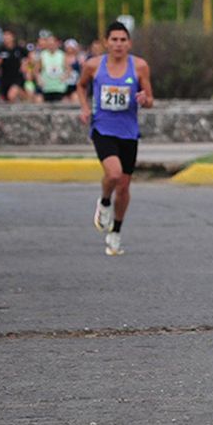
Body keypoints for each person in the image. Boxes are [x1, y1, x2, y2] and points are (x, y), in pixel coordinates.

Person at [76, 22, 154, 256]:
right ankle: (104, 202)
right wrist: (84, 107)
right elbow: (81, 86)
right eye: (114, 40)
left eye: (123, 40)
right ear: (106, 42)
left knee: (125, 185)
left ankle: (116, 233)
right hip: (103, 128)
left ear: (129, 43)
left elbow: (150, 99)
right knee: (114, 174)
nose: (118, 44)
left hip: (129, 131)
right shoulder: (93, 66)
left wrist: (144, 99)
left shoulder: (139, 66)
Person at [0, 28, 29, 102]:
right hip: (4, 78)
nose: (6, 38)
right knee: (8, 100)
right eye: (4, 36)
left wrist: (25, 64)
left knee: (11, 95)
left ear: (13, 37)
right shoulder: (0, 50)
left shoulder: (19, 49)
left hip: (17, 77)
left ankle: (26, 96)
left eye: (8, 35)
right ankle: (24, 99)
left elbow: (29, 57)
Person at [36, 32, 69, 103]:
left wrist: (65, 76)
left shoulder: (62, 55)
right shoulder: (42, 55)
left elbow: (68, 69)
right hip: (46, 87)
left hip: (59, 87)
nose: (51, 45)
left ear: (57, 43)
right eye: (49, 44)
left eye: (52, 43)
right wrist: (39, 79)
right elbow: (36, 70)